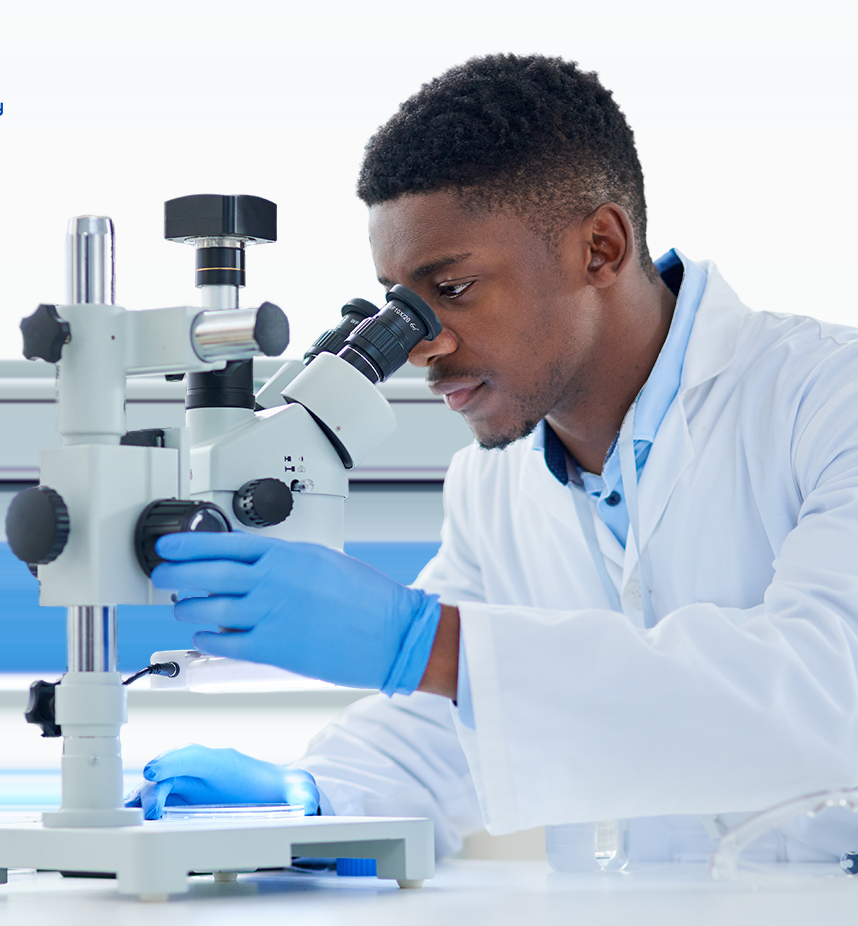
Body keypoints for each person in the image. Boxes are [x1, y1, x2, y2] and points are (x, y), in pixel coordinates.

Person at [126, 54, 858, 864]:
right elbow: (446, 724)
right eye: (400, 302)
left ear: (600, 248)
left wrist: (423, 641)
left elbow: (833, 688)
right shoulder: (493, 481)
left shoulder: (829, 398)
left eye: (454, 287)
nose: (422, 345)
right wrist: (319, 793)